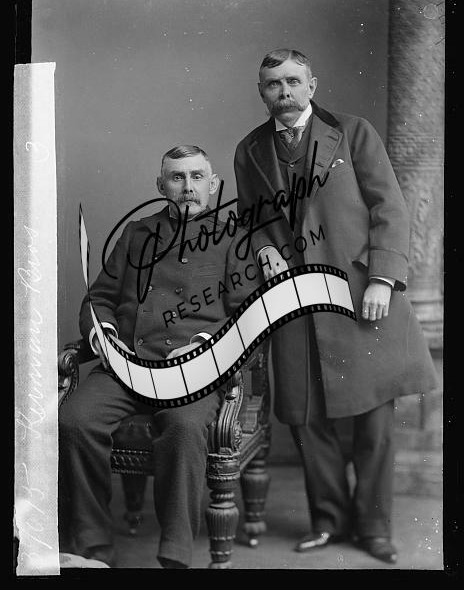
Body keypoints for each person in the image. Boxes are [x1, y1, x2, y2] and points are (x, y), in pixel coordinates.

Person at [233, 48, 438, 564]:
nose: (284, 91)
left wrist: (382, 280)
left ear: (312, 84)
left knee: (374, 422)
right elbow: (254, 220)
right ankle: (327, 522)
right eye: (273, 84)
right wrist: (264, 250)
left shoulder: (352, 132)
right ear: (261, 93)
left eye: (293, 81)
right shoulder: (250, 150)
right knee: (306, 417)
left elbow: (389, 207)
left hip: (359, 294)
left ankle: (373, 529)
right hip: (295, 300)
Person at [58, 145, 259, 569]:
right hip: (129, 366)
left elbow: (249, 318)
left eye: (197, 177)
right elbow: (100, 298)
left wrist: (206, 345)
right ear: (160, 185)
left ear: (213, 184)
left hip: (194, 372)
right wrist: (105, 335)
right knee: (74, 420)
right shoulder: (137, 233)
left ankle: (175, 556)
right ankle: (92, 549)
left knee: (184, 428)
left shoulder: (235, 239)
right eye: (177, 177)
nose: (188, 187)